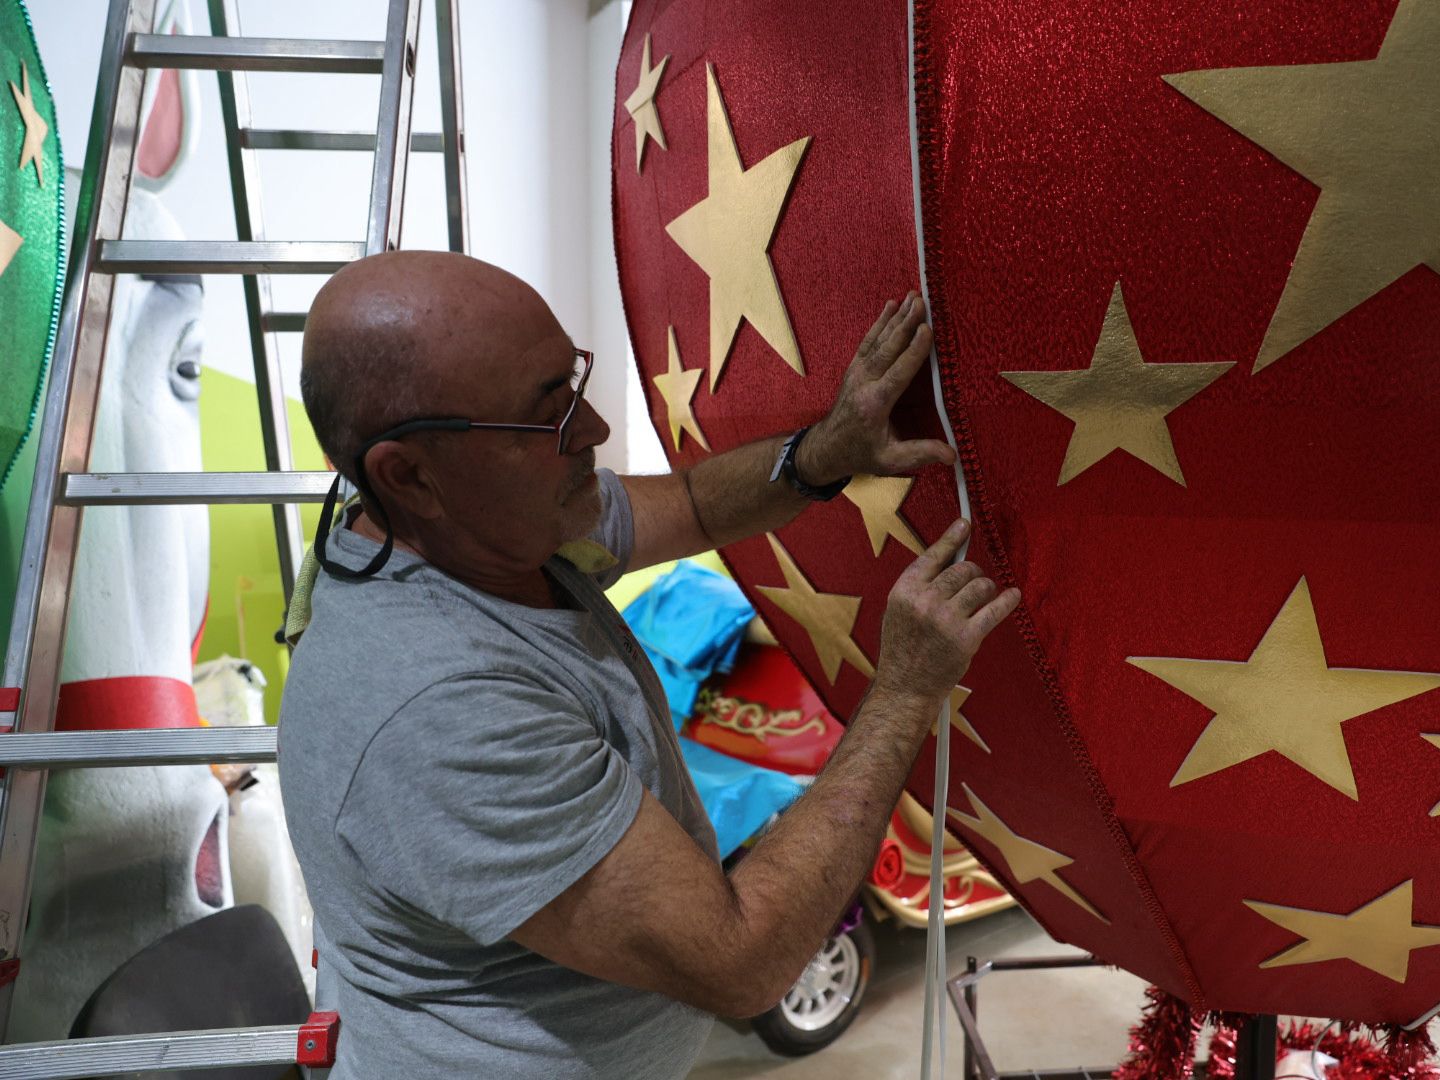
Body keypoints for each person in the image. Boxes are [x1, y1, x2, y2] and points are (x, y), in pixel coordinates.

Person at [278, 250, 1020, 1079]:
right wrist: (904, 690)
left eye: (573, 381)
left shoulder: (479, 529)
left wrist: (825, 450)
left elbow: (693, 504)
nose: (591, 430)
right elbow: (741, 959)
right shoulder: (437, 706)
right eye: (547, 413)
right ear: (409, 474)